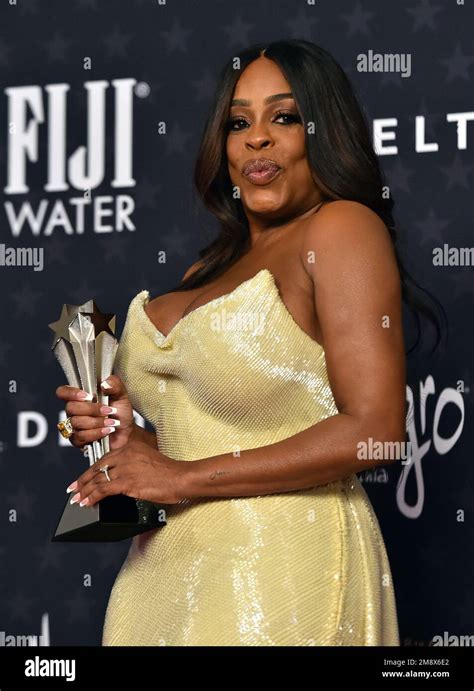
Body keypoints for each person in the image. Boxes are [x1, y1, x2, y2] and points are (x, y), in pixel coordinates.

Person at [55, 40, 442, 646]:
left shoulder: (340, 228)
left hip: (281, 569)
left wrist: (179, 477)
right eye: (239, 122)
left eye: (284, 116)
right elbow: (209, 435)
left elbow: (378, 426)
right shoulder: (207, 267)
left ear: (325, 130)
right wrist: (125, 438)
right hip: (160, 573)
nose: (257, 138)